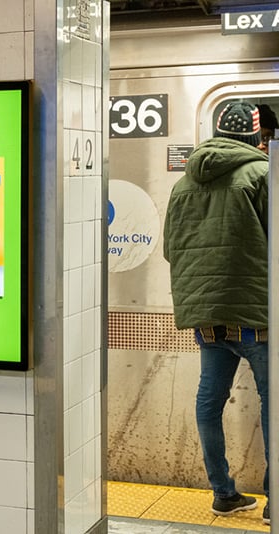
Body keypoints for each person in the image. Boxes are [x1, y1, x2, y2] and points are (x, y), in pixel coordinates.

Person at [163, 101, 270, 524]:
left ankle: (223, 493)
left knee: (209, 403)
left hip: (207, 318)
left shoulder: (183, 184)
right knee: (274, 405)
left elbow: (172, 250)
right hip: (256, 316)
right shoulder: (262, 174)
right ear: (255, 138)